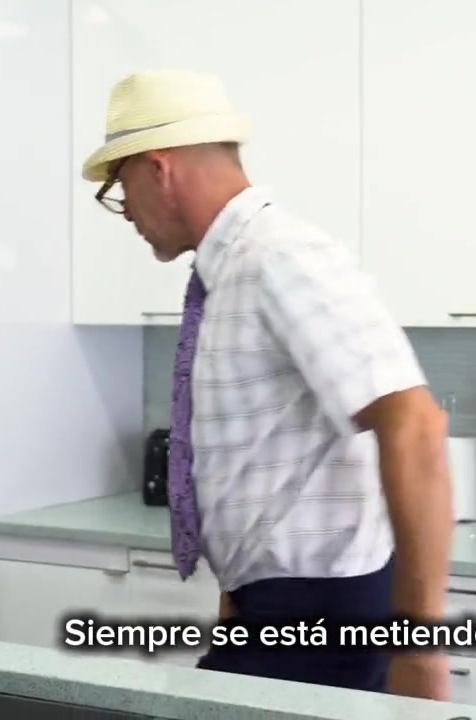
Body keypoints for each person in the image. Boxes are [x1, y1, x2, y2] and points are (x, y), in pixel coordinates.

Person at [80, 70, 454, 700]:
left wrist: (419, 646)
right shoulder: (229, 274)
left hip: (322, 613)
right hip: (274, 606)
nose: (127, 214)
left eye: (120, 190)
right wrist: (237, 594)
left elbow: (415, 426)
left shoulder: (280, 257)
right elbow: (264, 459)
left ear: (157, 169)